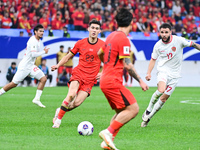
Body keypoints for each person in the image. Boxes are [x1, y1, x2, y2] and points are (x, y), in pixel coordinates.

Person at [97, 8, 149, 150]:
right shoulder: (123, 39)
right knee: (133, 109)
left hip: (105, 80)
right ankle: (107, 132)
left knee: (121, 112)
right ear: (131, 22)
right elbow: (127, 65)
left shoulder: (110, 36)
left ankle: (107, 142)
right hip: (113, 81)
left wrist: (106, 67)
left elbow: (99, 53)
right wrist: (141, 81)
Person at [141, 23, 200, 128]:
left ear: (170, 32)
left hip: (175, 75)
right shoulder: (158, 45)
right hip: (163, 71)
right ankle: (148, 109)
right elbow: (153, 60)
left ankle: (148, 118)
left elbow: (194, 45)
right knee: (161, 89)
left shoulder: (179, 40)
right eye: (162, 32)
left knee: (163, 99)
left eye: (166, 32)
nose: (164, 34)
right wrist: (148, 73)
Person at [51, 19, 105, 128]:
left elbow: (109, 62)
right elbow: (67, 57)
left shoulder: (103, 45)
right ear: (88, 29)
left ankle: (59, 110)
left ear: (100, 31)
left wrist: (103, 73)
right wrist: (58, 65)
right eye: (92, 28)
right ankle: (58, 121)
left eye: (96, 28)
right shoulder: (81, 43)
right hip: (78, 74)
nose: (94, 30)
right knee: (71, 94)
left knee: (76, 103)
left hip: (90, 79)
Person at [0, 24, 50, 108]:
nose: (42, 33)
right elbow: (34, 54)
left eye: (43, 31)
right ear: (35, 32)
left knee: (43, 79)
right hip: (25, 66)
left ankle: (36, 99)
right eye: (40, 31)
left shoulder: (38, 41)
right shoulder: (33, 40)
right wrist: (43, 52)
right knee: (13, 84)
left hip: (31, 66)